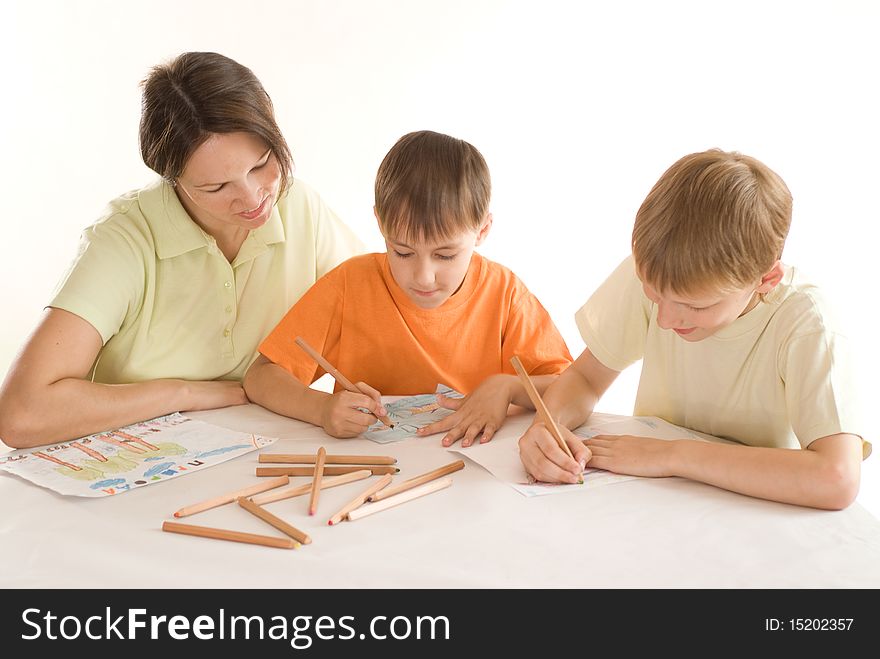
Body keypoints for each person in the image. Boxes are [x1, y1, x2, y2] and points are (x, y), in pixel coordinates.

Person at [0, 52, 363, 449]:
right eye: (216, 188)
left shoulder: (298, 207)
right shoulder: (126, 238)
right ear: (171, 179)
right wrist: (184, 394)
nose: (253, 197)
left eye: (261, 164)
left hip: (263, 457)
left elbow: (384, 314)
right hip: (138, 472)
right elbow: (22, 414)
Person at [518, 149, 869, 510]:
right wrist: (548, 428)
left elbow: (837, 478)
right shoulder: (659, 270)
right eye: (654, 296)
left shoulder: (807, 323)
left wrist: (673, 456)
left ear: (766, 279)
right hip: (655, 506)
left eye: (696, 306)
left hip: (756, 517)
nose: (667, 320)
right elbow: (588, 378)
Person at [244, 130, 572, 446]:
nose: (423, 277)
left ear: (483, 230)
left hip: (473, 478)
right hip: (375, 474)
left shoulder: (505, 294)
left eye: (445, 254)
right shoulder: (350, 284)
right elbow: (260, 378)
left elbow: (570, 386)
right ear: (379, 224)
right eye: (402, 252)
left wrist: (509, 388)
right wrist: (320, 408)